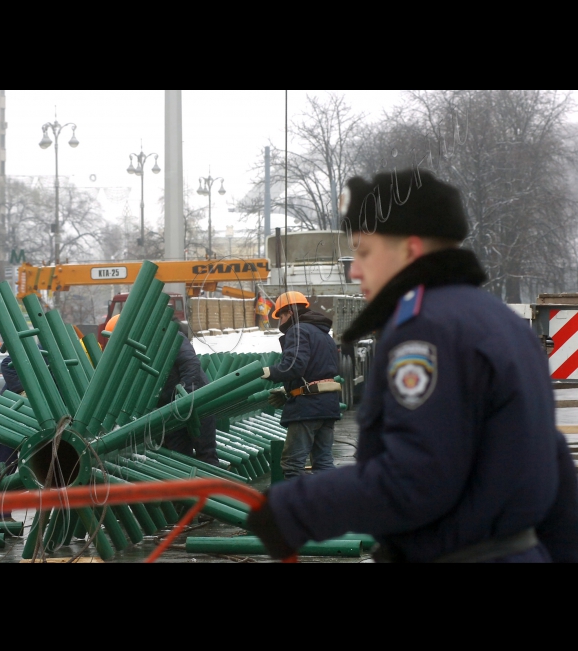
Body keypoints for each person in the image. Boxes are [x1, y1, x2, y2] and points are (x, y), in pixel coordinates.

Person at [247, 169, 578, 563]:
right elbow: (551, 463)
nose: (354, 270)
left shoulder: (427, 330)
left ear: (410, 250)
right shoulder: (503, 322)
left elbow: (417, 478)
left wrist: (291, 511)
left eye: (365, 252)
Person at [104, 316, 221, 467]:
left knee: (206, 453)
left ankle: (214, 488)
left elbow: (190, 363)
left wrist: (186, 395)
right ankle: (187, 490)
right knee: (178, 459)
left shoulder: (169, 337)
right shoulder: (130, 353)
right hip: (169, 411)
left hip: (196, 402)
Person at [260, 291, 341, 480]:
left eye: (280, 316)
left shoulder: (298, 330)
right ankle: (330, 506)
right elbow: (318, 370)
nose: (280, 322)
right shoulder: (323, 334)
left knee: (292, 465)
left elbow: (294, 365)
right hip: (328, 405)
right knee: (323, 462)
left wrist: (268, 372)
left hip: (308, 407)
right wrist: (288, 389)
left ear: (288, 313)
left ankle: (296, 508)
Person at [0, 352, 24, 523]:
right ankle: (1, 515)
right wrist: (22, 389)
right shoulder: (39, 352)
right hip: (8, 416)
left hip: (31, 418)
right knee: (6, 465)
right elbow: (7, 363)